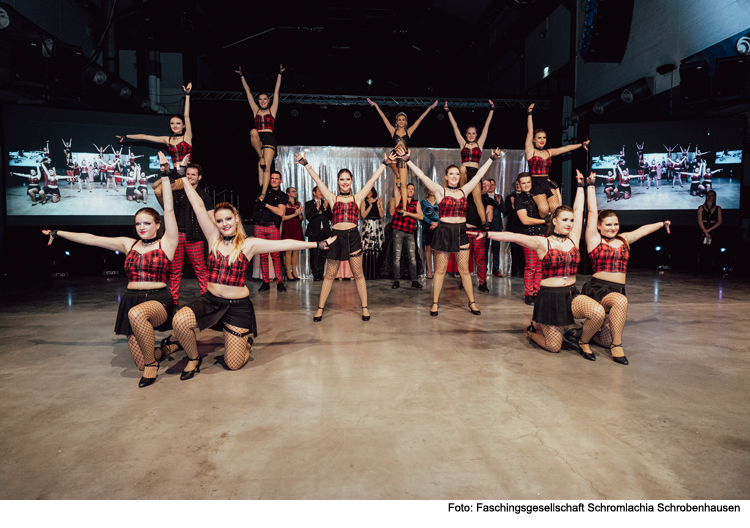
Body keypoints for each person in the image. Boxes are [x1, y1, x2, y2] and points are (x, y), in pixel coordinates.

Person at [172, 176, 335, 380]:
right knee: (179, 321)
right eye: (220, 220)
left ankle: (245, 341)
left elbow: (285, 244)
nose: (224, 224)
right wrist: (182, 176)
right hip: (210, 300)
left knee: (233, 364)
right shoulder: (212, 238)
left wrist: (317, 245)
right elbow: (197, 205)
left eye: (228, 219)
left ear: (237, 219)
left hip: (236, 307)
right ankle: (194, 358)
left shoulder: (249, 245)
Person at [42, 152, 179, 387]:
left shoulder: (167, 243)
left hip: (159, 299)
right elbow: (92, 238)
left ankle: (152, 366)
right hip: (131, 299)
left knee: (143, 344)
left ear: (158, 225)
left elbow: (169, 209)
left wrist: (166, 176)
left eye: (147, 223)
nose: (142, 227)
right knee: (141, 359)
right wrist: (59, 232)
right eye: (138, 224)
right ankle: (167, 349)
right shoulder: (129, 244)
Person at [487, 171, 605, 359]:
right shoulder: (544, 242)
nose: (569, 224)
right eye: (565, 220)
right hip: (550, 300)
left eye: (572, 221)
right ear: (554, 221)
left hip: (571, 295)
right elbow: (515, 236)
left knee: (598, 313)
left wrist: (582, 186)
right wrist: (487, 235)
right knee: (554, 347)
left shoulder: (573, 240)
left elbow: (579, 210)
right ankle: (532, 332)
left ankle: (583, 340)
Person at [295, 151, 397, 322]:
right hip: (336, 238)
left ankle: (364, 307)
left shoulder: (357, 198)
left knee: (358, 274)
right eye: (342, 179)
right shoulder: (333, 198)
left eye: (347, 179)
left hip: (353, 237)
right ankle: (320, 308)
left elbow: (372, 180)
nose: (344, 182)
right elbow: (318, 181)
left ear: (351, 181)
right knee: (329, 275)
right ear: (338, 181)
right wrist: (306, 164)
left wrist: (384, 163)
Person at [584, 173, 672, 364]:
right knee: (619, 308)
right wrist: (590, 185)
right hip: (599, 289)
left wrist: (661, 224)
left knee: (604, 341)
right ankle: (618, 345)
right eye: (608, 225)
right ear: (599, 226)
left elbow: (642, 231)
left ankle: (585, 333)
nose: (613, 227)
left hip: (617, 290)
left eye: (616, 224)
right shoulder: (594, 239)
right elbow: (592, 213)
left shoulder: (624, 239)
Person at [403, 148, 501, 316]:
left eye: (457, 174)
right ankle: (435, 303)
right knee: (440, 270)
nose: (455, 176)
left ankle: (472, 303)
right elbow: (422, 177)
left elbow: (477, 176)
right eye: (452, 174)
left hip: (461, 232)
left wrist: (491, 159)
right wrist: (407, 160)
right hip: (444, 232)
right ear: (446, 177)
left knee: (464, 270)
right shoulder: (440, 191)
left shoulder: (465, 191)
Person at [367, 98, 438, 206]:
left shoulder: (408, 131)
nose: (401, 121)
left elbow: (419, 119)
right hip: (394, 156)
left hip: (404, 157)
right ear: (396, 122)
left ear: (406, 122)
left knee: (403, 185)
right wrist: (376, 105)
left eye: (403, 120)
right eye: (399, 119)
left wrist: (430, 108)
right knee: (390, 159)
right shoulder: (393, 130)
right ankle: (397, 175)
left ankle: (404, 206)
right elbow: (383, 118)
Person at [525, 103, 589, 217]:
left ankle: (552, 229)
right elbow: (530, 131)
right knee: (544, 210)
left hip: (547, 182)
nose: (542, 140)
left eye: (544, 137)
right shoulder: (531, 151)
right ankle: (541, 225)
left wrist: (581, 144)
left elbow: (565, 148)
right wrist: (530, 113)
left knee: (556, 209)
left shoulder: (549, 152)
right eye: (539, 138)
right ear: (534, 140)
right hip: (536, 183)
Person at [236, 64, 284, 201]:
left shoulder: (272, 110)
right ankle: (260, 157)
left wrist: (280, 74)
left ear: (268, 101)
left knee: (265, 168)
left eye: (265, 99)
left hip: (269, 138)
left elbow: (277, 90)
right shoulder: (255, 110)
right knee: (252, 131)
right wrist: (241, 75)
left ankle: (263, 194)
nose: (262, 101)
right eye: (260, 99)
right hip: (258, 140)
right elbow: (247, 92)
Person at [444, 100, 495, 227]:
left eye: (473, 133)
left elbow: (486, 126)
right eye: (469, 133)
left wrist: (492, 110)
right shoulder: (463, 144)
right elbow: (455, 127)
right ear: (466, 135)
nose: (471, 135)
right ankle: (461, 190)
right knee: (461, 168)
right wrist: (448, 111)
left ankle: (484, 222)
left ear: (476, 135)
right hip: (464, 174)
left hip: (475, 174)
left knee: (478, 199)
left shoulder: (479, 144)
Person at [116, 83, 193, 164]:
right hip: (174, 173)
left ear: (184, 125)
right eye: (172, 123)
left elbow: (186, 115)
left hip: (187, 173)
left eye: (178, 123)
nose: (175, 126)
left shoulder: (187, 137)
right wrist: (126, 136)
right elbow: (144, 137)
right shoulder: (168, 140)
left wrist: (187, 95)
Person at [514, 173, 547, 304]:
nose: (526, 185)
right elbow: (525, 220)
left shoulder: (538, 197)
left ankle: (537, 292)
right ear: (519, 185)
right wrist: (544, 221)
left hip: (542, 236)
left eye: (528, 182)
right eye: (523, 183)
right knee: (531, 267)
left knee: (540, 267)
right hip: (529, 236)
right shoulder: (519, 199)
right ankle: (529, 294)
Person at [254, 171, 288, 292]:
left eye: (276, 178)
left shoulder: (283, 195)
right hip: (259, 226)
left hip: (272, 226)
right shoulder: (263, 191)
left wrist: (265, 204)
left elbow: (280, 212)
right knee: (263, 256)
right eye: (272, 178)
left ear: (281, 181)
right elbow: (262, 173)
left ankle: (279, 282)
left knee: (275, 255)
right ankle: (265, 282)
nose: (273, 180)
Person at [390, 182, 424, 289]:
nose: (410, 190)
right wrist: (398, 178)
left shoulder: (416, 202)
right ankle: (396, 280)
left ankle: (414, 280)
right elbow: (396, 188)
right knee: (397, 256)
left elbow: (421, 216)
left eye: (412, 189)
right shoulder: (399, 199)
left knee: (412, 257)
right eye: (408, 188)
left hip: (410, 232)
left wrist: (408, 213)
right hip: (398, 231)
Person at [305, 186, 334, 281]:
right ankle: (315, 274)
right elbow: (308, 217)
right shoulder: (309, 204)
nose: (322, 193)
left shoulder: (326, 203)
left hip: (325, 233)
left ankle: (321, 274)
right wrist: (317, 210)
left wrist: (325, 208)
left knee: (323, 254)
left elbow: (330, 217)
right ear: (314, 192)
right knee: (313, 254)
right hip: (313, 233)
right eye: (319, 191)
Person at [360, 187, 385, 280]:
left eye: (369, 191)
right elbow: (363, 215)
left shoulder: (379, 201)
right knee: (366, 248)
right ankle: (366, 273)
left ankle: (377, 272)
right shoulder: (363, 202)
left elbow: (381, 215)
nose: (367, 193)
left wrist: (378, 205)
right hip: (368, 225)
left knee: (377, 247)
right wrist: (370, 206)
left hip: (377, 225)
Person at [281, 186, 305, 281]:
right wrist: (294, 214)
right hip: (288, 226)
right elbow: (282, 218)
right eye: (293, 191)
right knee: (288, 250)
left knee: (296, 250)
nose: (295, 193)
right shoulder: (285, 204)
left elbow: (301, 219)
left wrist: (299, 214)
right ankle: (288, 273)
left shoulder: (298, 204)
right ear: (288, 193)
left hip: (297, 227)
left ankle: (294, 272)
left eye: (295, 191)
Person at [697, 190, 722, 274]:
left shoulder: (718, 208)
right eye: (708, 195)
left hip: (713, 230)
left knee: (712, 250)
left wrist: (709, 231)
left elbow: (719, 221)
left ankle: (711, 269)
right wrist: (705, 231)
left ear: (715, 197)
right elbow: (699, 220)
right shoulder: (701, 207)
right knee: (702, 250)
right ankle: (700, 269)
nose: (710, 197)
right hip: (703, 229)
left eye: (712, 195)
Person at [504, 180, 524, 277]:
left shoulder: (526, 196)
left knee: (523, 249)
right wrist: (512, 205)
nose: (517, 186)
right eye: (516, 184)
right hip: (513, 226)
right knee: (514, 249)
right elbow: (506, 211)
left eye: (519, 184)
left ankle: (523, 270)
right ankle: (514, 270)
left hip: (523, 227)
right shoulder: (510, 197)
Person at [487, 179, 506, 278]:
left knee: (496, 249)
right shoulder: (483, 197)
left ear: (495, 186)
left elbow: (505, 211)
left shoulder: (498, 197)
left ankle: (496, 269)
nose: (490, 187)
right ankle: (483, 269)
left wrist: (499, 203)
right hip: (486, 226)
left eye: (492, 185)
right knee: (484, 248)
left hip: (497, 226)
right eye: (489, 185)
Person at [420, 189, 440, 279]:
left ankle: (436, 271)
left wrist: (437, 223)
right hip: (427, 226)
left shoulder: (440, 201)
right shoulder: (423, 202)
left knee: (436, 249)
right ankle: (429, 271)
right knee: (428, 248)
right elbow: (422, 215)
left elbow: (443, 214)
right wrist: (431, 222)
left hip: (438, 227)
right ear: (427, 191)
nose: (432, 191)